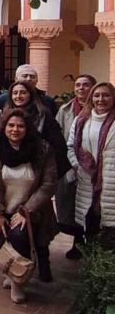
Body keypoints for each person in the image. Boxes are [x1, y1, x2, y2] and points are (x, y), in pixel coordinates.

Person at [0, 109, 58, 304]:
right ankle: (13, 272)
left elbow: (49, 184)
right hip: (2, 209)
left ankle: (17, 283)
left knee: (19, 238)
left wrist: (27, 210)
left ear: (28, 128)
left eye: (20, 126)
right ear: (4, 127)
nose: (15, 129)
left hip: (30, 211)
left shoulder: (42, 149)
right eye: (11, 125)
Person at [68, 81, 115, 249]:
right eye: (97, 95)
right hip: (87, 181)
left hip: (111, 183)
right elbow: (71, 146)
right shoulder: (82, 120)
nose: (101, 99)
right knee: (90, 228)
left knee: (110, 231)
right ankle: (92, 269)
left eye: (106, 95)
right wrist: (77, 166)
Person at [56, 74, 95, 259]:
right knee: (73, 206)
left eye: (86, 85)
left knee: (92, 207)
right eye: (78, 85)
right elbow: (59, 138)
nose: (81, 88)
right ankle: (77, 243)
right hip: (70, 165)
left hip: (95, 167)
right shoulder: (65, 110)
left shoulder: (100, 111)